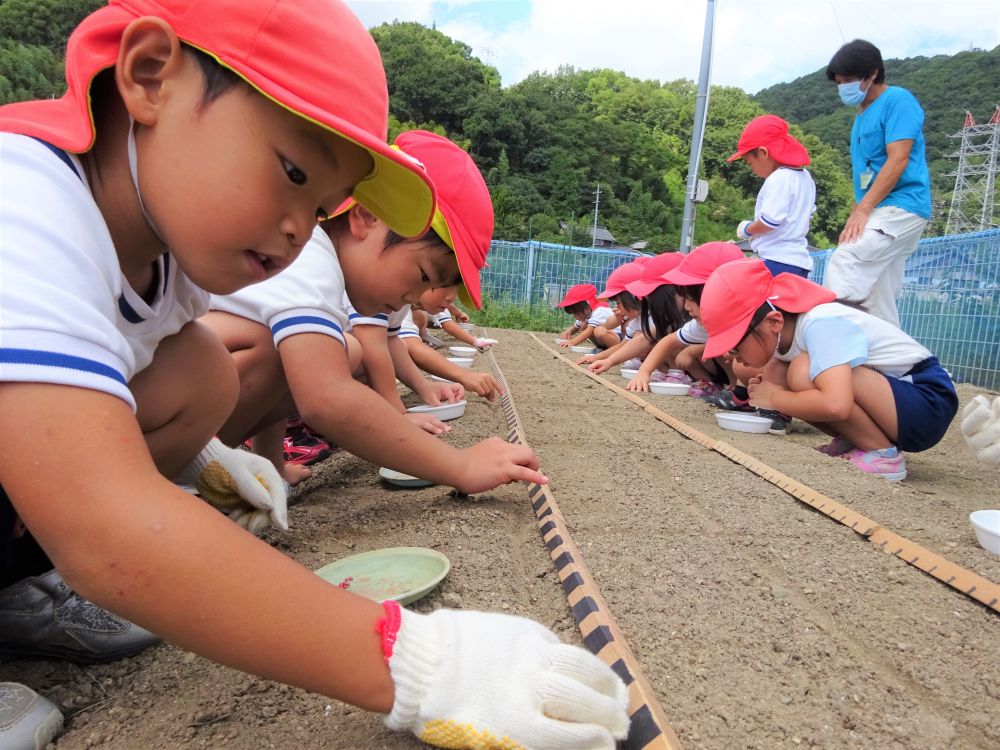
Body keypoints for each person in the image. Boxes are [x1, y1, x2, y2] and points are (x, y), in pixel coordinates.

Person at [0, 3, 629, 748]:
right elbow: (107, 527)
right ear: (148, 77)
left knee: (201, 371)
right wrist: (424, 666)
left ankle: (19, 588)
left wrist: (209, 457)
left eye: (318, 201)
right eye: (292, 172)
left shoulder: (171, 261)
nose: (301, 227)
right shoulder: (26, 200)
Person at [205, 129, 542, 490]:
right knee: (313, 356)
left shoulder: (320, 262)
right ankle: (173, 476)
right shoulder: (309, 256)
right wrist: (460, 466)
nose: (415, 298)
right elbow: (326, 400)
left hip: (170, 408)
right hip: (149, 417)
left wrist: (270, 467)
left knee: (332, 351)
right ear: (368, 217)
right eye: (424, 275)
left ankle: (226, 460)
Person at [700, 259, 958, 481]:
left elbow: (836, 405)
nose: (729, 354)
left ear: (773, 322)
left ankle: (882, 454)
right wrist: (770, 390)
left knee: (803, 370)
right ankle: (858, 441)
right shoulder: (786, 335)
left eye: (734, 345)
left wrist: (775, 398)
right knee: (791, 375)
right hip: (901, 404)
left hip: (926, 402)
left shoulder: (820, 322)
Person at [823, 39, 932, 327]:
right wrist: (860, 209)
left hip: (902, 205)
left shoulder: (898, 101)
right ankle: (902, 369)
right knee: (879, 299)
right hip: (879, 209)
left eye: (848, 80)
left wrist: (862, 210)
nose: (842, 87)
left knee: (846, 259)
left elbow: (898, 160)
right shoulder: (860, 114)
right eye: (838, 82)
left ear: (872, 74)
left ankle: (834, 337)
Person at [626, 243, 745, 402]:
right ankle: (721, 387)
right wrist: (644, 372)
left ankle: (736, 389)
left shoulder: (751, 320)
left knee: (727, 349)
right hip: (722, 369)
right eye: (684, 299)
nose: (687, 306)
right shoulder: (699, 321)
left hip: (751, 373)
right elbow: (667, 341)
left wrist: (692, 351)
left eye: (691, 299)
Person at [728, 114, 816, 278]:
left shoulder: (779, 178)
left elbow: (770, 221)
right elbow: (808, 214)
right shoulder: (806, 177)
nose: (752, 169)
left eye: (750, 163)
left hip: (777, 261)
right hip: (799, 262)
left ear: (763, 153)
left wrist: (747, 229)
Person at [556, 284, 618, 350]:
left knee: (596, 330)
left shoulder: (599, 310)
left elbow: (589, 331)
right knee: (585, 326)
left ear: (587, 309)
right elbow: (576, 327)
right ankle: (601, 348)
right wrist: (568, 332)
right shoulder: (587, 313)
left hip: (617, 336)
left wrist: (572, 342)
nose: (574, 316)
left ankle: (612, 350)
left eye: (575, 314)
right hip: (608, 336)